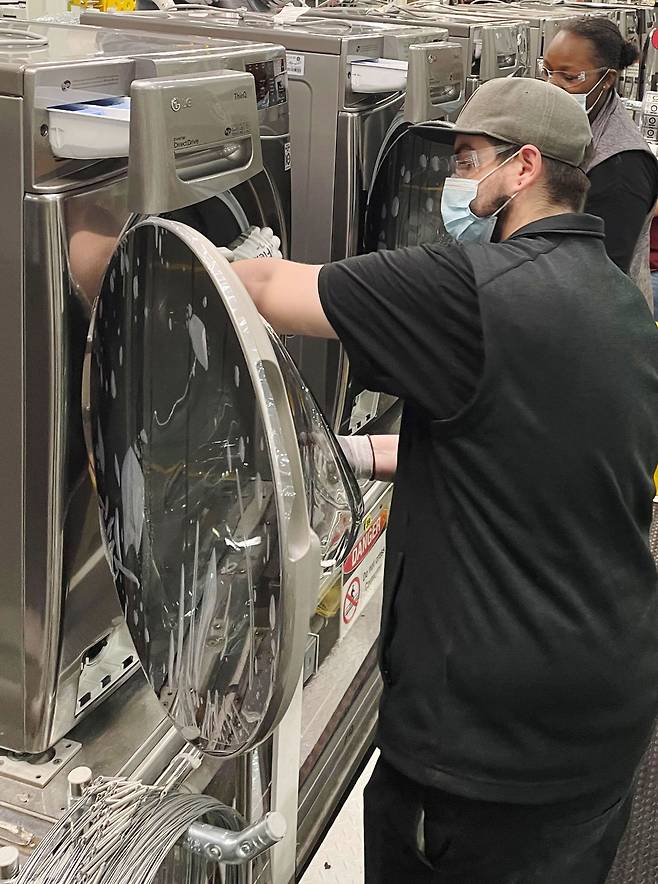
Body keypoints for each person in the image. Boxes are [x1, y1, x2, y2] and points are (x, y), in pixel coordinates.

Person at [230, 78, 658, 883]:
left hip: (491, 744)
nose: (452, 185)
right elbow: (520, 448)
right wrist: (355, 456)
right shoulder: (615, 299)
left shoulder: (471, 289)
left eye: (466, 160)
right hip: (602, 706)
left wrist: (104, 250)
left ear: (523, 167)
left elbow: (255, 289)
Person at [542, 17, 658, 308]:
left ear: (607, 79)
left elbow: (602, 275)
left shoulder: (622, 165)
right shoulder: (569, 124)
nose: (552, 85)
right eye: (547, 72)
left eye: (569, 77)